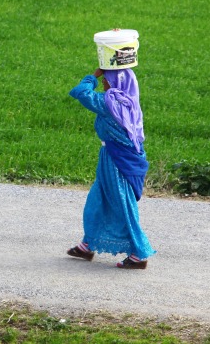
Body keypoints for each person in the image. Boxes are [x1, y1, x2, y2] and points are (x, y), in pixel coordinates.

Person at [67, 67, 155, 269]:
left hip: (117, 163)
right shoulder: (129, 100)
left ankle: (138, 254)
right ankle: (87, 245)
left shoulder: (111, 103)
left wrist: (94, 75)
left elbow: (80, 92)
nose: (105, 83)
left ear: (117, 83)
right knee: (99, 201)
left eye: (108, 79)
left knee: (122, 205)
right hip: (114, 158)